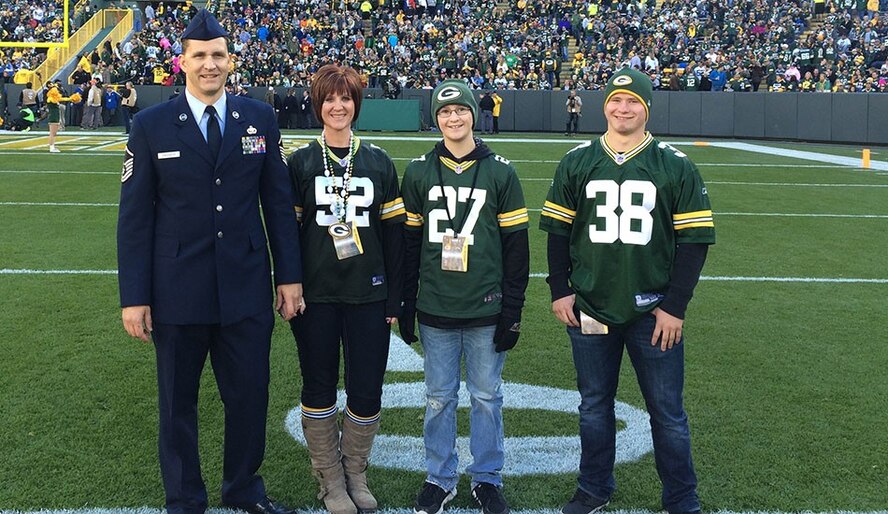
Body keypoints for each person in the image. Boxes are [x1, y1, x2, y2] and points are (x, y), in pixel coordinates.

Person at [116, 10, 303, 514]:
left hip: (244, 287)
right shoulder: (150, 125)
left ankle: (243, 488)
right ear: (183, 61)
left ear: (231, 60)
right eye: (199, 55)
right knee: (178, 405)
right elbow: (134, 219)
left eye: (218, 55)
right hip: (177, 289)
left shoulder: (259, 118)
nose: (209, 64)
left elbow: (278, 203)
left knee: (249, 398)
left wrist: (289, 277)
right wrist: (134, 297)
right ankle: (184, 498)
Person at [540, 68, 715, 514]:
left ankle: (681, 497)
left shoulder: (674, 163)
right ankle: (594, 487)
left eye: (633, 101)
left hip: (653, 310)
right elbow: (558, 232)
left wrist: (675, 307)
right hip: (591, 306)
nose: (623, 108)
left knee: (668, 412)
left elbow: (694, 242)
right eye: (617, 100)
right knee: (594, 407)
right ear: (605, 106)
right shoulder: (577, 161)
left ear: (647, 107)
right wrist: (560, 290)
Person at [400, 79, 530, 514]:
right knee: (438, 398)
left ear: (474, 113)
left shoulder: (500, 171)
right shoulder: (419, 170)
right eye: (443, 112)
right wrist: (403, 301)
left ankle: (487, 478)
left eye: (460, 110)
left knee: (487, 397)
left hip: (485, 306)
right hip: (435, 306)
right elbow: (408, 245)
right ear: (435, 118)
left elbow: (517, 247)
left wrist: (513, 308)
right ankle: (440, 477)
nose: (452, 118)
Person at [286, 64, 405, 514]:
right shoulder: (299, 162)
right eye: (329, 99)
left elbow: (394, 236)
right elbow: (287, 233)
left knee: (367, 388)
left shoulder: (377, 160)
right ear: (318, 105)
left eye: (346, 98)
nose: (338, 107)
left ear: (356, 102)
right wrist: (289, 287)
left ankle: (355, 470)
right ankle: (330, 480)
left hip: (368, 292)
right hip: (315, 295)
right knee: (318, 386)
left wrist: (394, 295)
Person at [46, 82, 81, 152]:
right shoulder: (51, 99)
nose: (57, 91)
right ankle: (52, 147)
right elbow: (58, 99)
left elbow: (61, 99)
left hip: (55, 116)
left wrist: (70, 99)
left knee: (54, 133)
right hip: (53, 116)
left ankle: (52, 146)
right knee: (52, 133)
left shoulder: (54, 99)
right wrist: (70, 98)